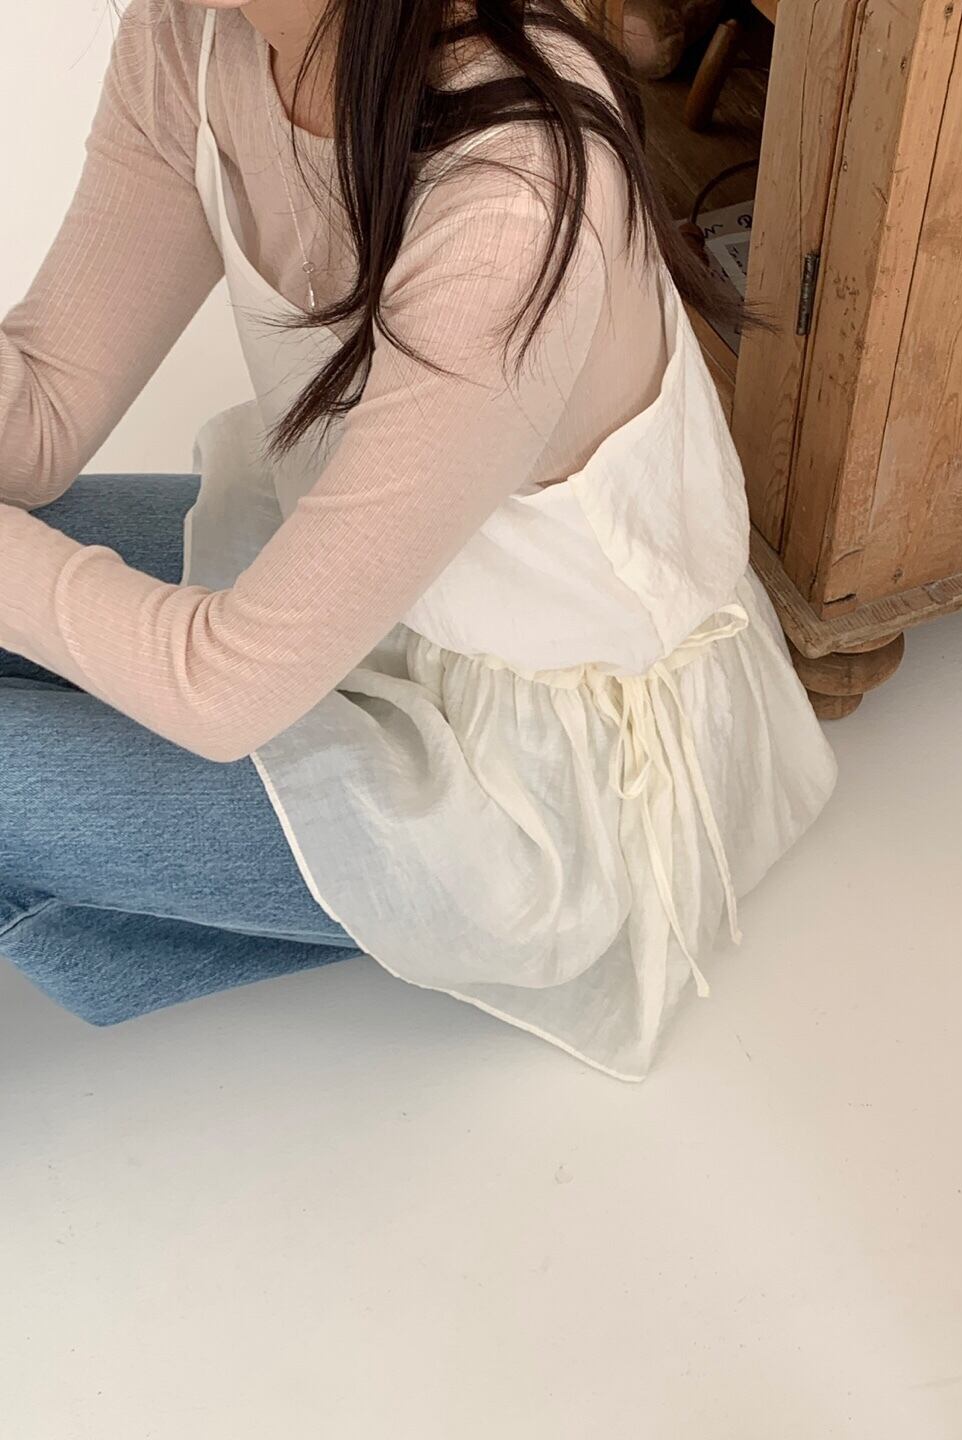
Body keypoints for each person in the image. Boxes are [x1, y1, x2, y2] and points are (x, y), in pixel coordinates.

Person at [0, 0, 836, 1080]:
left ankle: (351, 907)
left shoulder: (514, 191)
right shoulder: (194, 37)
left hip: (540, 778)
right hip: (356, 603)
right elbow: (40, 417)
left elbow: (224, 688)